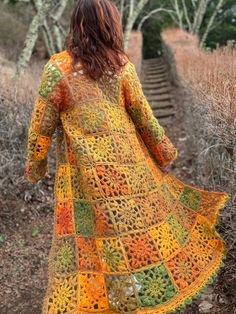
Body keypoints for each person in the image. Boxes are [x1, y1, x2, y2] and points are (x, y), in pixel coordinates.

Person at [25, 0, 229, 313]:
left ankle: (108, 298)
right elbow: (143, 117)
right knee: (133, 234)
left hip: (86, 178)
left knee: (94, 237)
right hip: (130, 170)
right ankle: (135, 295)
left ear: (76, 24)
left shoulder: (57, 70)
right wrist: (164, 153)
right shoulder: (121, 66)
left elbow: (41, 129)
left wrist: (36, 168)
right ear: (111, 25)